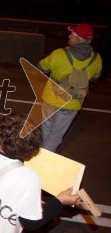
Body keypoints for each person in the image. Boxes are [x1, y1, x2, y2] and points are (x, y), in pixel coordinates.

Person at [38, 23, 102, 152]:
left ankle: (44, 154)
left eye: (72, 34)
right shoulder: (97, 59)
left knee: (46, 127)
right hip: (73, 102)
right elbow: (95, 78)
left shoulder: (59, 54)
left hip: (52, 98)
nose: (69, 36)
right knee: (56, 133)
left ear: (78, 39)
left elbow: (41, 67)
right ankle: (47, 151)